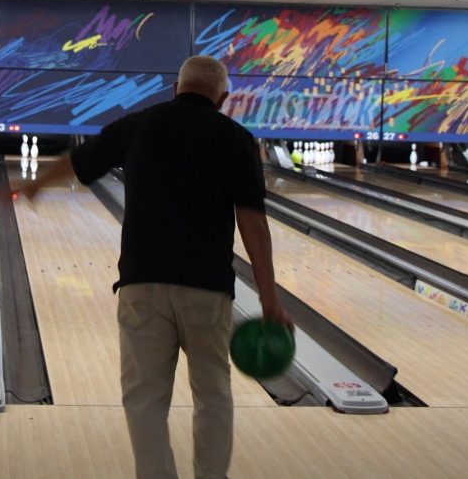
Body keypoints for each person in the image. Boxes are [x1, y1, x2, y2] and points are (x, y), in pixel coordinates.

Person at [19, 54, 291, 479]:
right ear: (223, 97)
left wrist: (34, 184)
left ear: (174, 88)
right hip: (207, 290)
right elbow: (252, 222)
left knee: (145, 400)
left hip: (141, 287)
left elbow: (81, 160)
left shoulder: (139, 123)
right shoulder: (237, 138)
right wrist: (271, 298)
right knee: (214, 397)